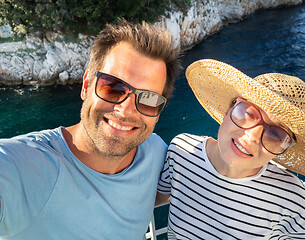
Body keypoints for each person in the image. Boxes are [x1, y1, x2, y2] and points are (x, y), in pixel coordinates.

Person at [0, 19, 180, 239]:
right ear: (86, 86)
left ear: (158, 111)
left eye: (149, 99)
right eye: (113, 87)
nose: (125, 110)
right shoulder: (20, 167)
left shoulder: (155, 153)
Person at [156, 59, 305, 239]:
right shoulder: (181, 151)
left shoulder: (289, 196)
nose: (253, 136)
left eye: (276, 135)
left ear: (285, 148)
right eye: (248, 113)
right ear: (229, 109)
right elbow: (150, 197)